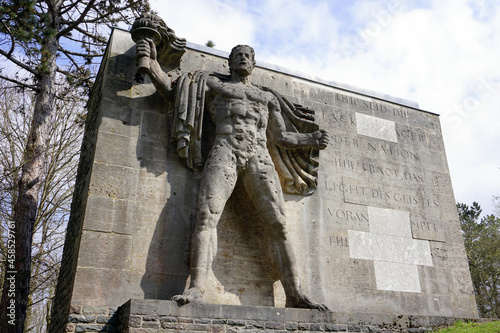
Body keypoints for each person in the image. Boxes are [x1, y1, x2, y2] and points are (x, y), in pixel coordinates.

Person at [136, 39, 329, 310]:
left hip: (259, 156)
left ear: (253, 63)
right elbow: (173, 92)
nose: (243, 58)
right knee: (206, 215)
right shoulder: (214, 85)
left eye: (247, 55)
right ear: (229, 62)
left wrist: (311, 138)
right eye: (237, 55)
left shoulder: (267, 97)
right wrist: (152, 64)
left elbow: (282, 136)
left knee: (279, 224)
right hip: (225, 149)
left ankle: (295, 293)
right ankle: (196, 288)